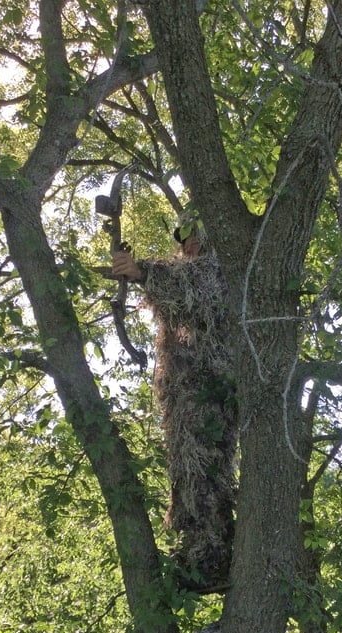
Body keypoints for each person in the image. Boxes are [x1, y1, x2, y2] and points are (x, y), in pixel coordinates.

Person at [112, 223, 237, 592]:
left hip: (208, 393)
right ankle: (197, 553)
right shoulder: (189, 272)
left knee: (205, 471)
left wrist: (140, 271)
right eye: (185, 240)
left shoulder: (218, 271)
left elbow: (190, 288)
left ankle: (210, 557)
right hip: (186, 397)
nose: (190, 244)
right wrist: (136, 273)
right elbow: (177, 293)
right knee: (187, 471)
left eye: (197, 237)